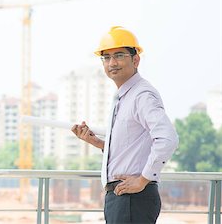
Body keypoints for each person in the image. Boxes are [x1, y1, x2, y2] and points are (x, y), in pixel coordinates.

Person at [71, 26, 179, 224]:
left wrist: (143, 179)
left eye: (119, 55)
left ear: (135, 59)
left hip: (133, 199)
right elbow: (133, 146)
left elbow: (167, 139)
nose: (112, 63)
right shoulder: (124, 97)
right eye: (106, 57)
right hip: (122, 198)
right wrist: (97, 143)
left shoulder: (142, 95)